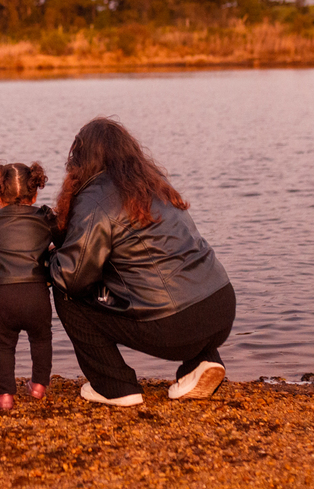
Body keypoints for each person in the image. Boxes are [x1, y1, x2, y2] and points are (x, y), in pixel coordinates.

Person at [49, 117, 235, 407]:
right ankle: (202, 362)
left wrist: (46, 258)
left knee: (66, 291)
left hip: (174, 325)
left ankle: (114, 386)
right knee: (155, 281)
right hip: (220, 307)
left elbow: (73, 276)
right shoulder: (155, 185)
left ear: (81, 158)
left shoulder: (95, 197)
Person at [0, 162, 60, 411]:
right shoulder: (46, 218)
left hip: (5, 296)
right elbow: (65, 241)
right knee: (41, 338)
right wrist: (52, 249)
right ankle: (38, 385)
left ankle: (5, 394)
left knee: (3, 344)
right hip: (38, 294)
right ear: (35, 194)